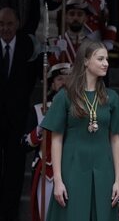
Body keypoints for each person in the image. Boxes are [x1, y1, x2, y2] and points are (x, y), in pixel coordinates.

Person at [40, 39, 119, 221]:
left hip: (104, 168)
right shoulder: (64, 96)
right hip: (72, 166)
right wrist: (58, 180)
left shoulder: (112, 98)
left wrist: (118, 181)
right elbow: (56, 140)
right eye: (100, 59)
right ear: (86, 61)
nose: (106, 63)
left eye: (106, 59)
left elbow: (116, 139)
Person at [0, 7, 42, 221]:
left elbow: (42, 75)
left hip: (18, 121)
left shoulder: (28, 45)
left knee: (14, 174)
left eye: (9, 24)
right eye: (1, 24)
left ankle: (9, 216)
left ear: (17, 24)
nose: (5, 28)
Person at [21, 62, 71, 221]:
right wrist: (40, 129)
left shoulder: (84, 109)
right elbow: (24, 144)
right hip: (47, 173)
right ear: (51, 84)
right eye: (60, 79)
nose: (64, 83)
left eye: (69, 79)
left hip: (74, 170)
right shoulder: (39, 109)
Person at [44, 0, 118, 51]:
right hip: (68, 29)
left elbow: (112, 6)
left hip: (94, 31)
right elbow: (50, 4)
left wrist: (109, 38)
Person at [48, 0, 92, 65]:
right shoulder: (53, 43)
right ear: (65, 17)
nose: (75, 18)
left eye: (80, 14)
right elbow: (48, 70)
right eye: (71, 14)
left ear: (86, 18)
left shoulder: (92, 45)